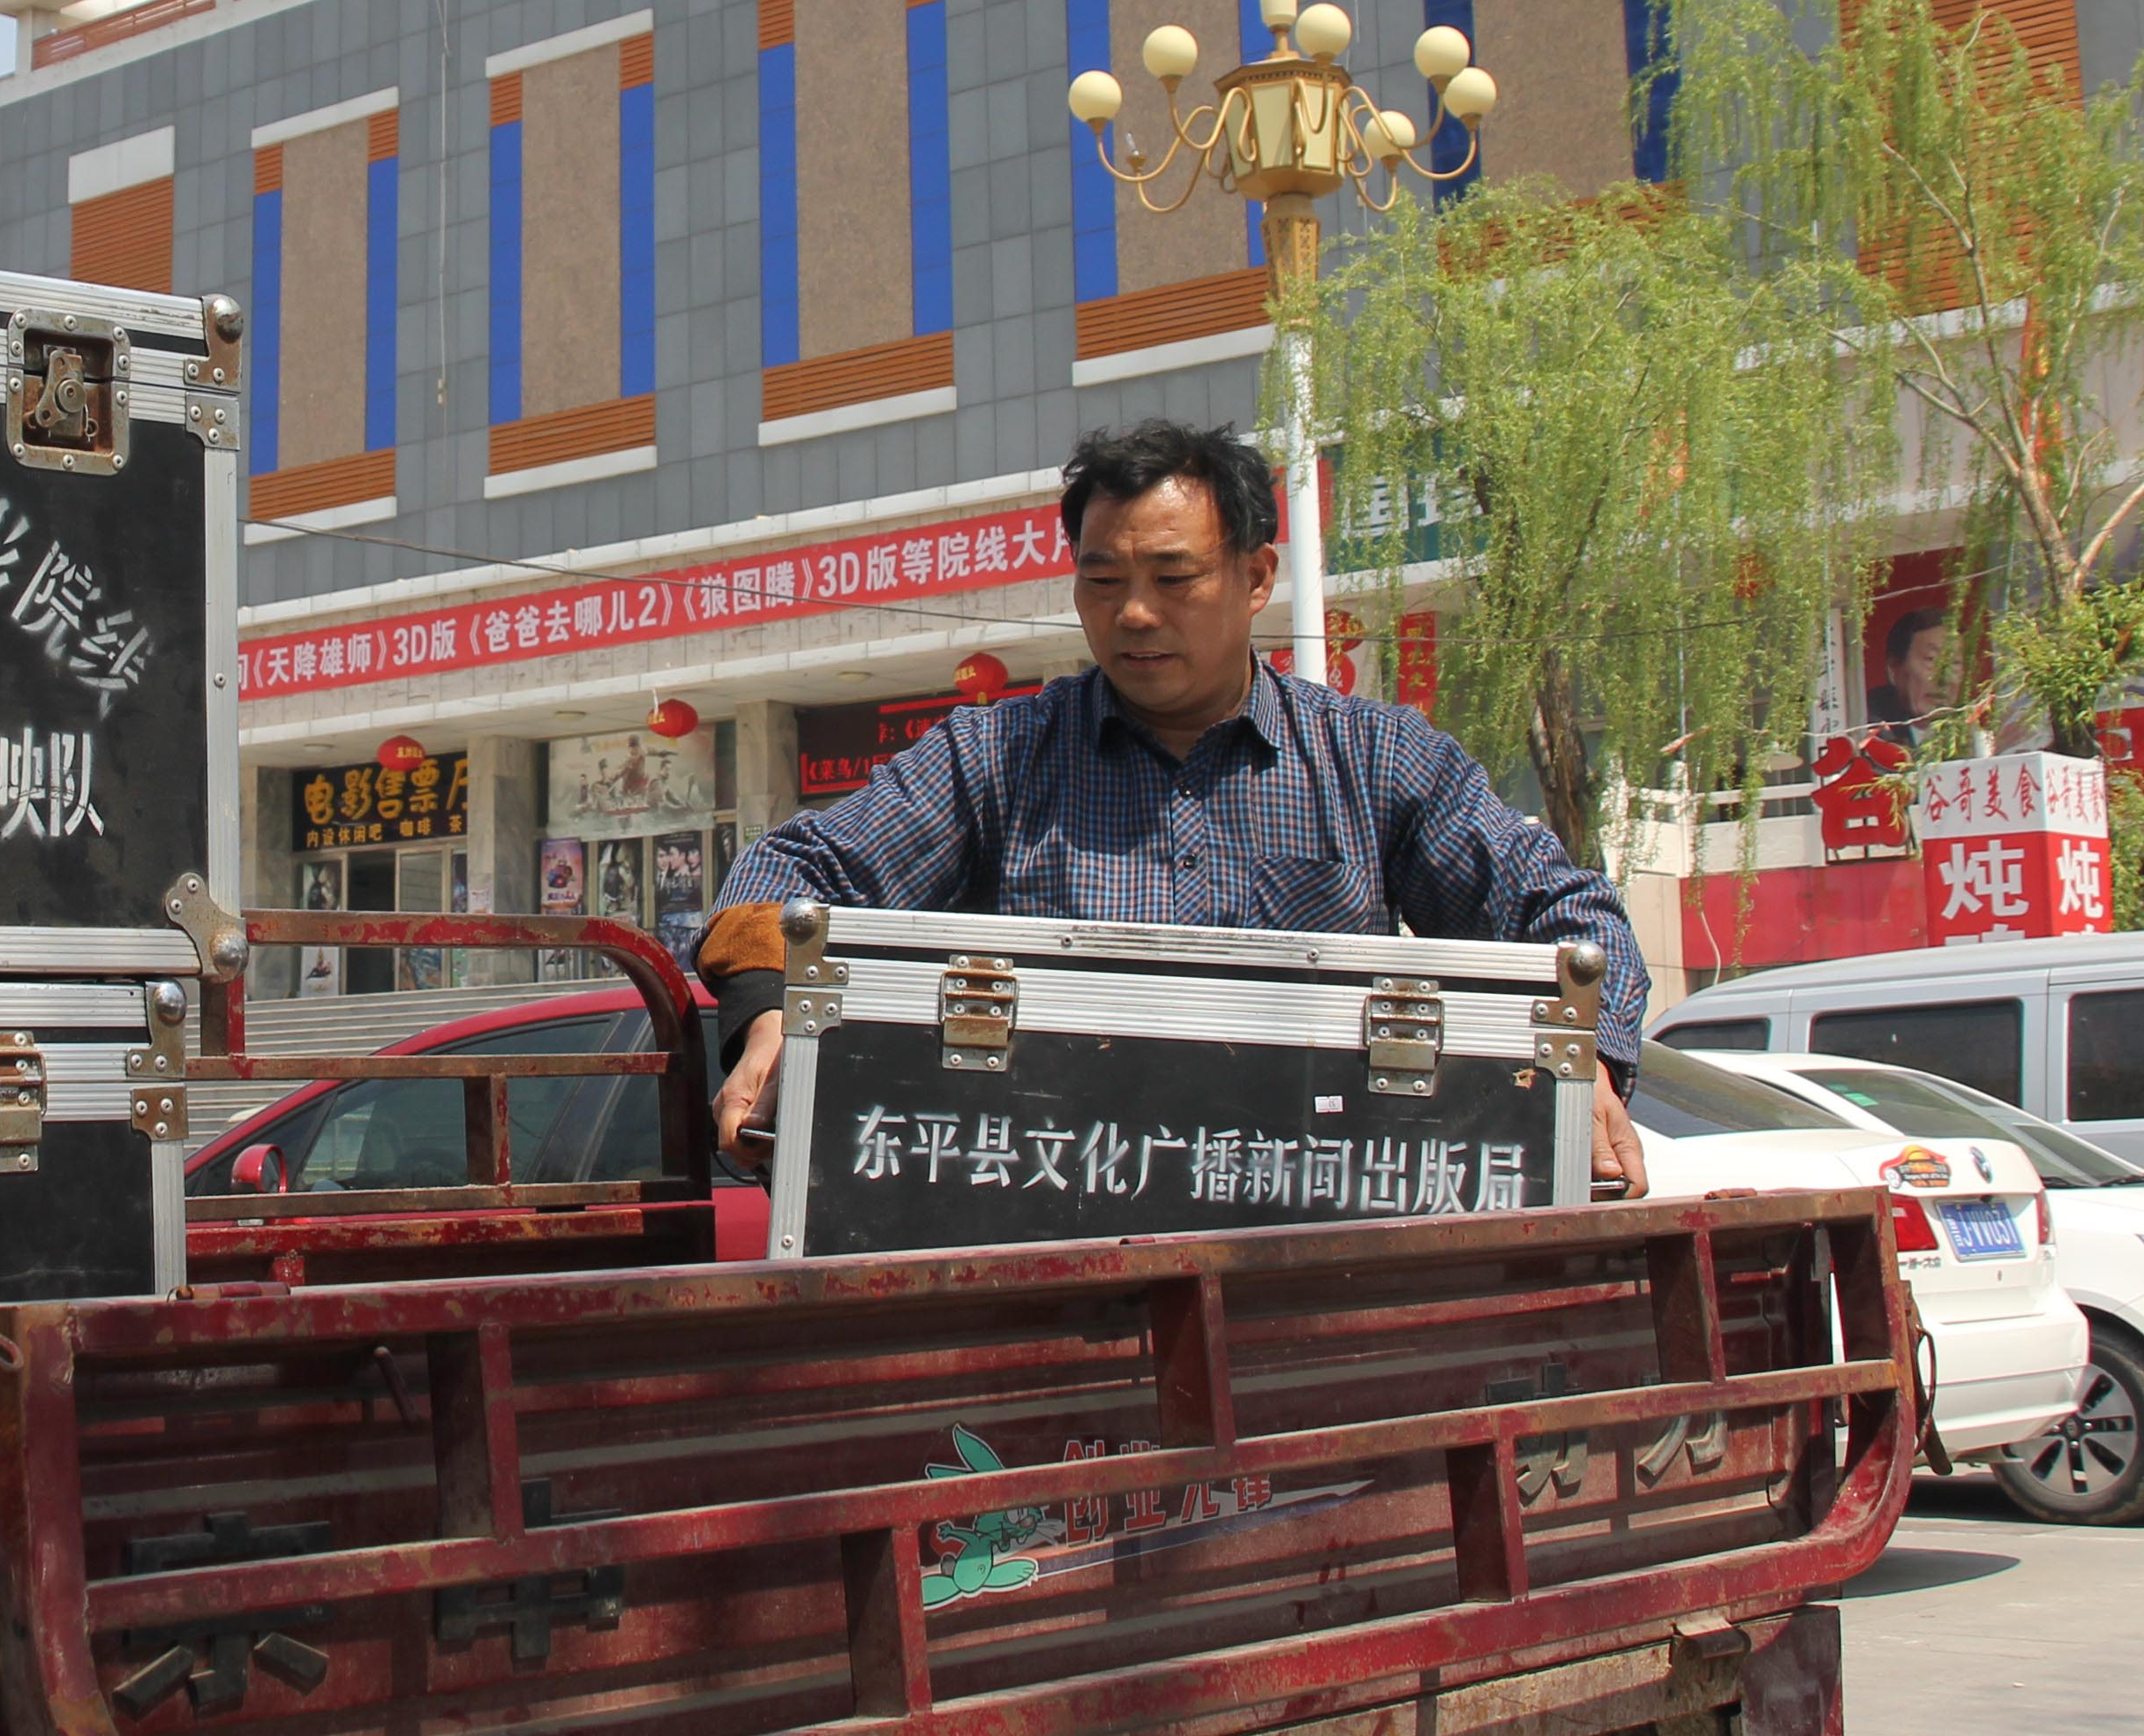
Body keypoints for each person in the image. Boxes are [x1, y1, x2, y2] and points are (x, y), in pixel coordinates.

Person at [694, 417, 1651, 1192]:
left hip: (1309, 1221)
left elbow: (1569, 918)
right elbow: (786, 874)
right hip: (1058, 1209)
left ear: (1257, 578)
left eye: (1174, 578)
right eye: (1103, 582)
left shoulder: (1376, 761)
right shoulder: (995, 760)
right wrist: (773, 1015)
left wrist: (1589, 1067)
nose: (1135, 614)